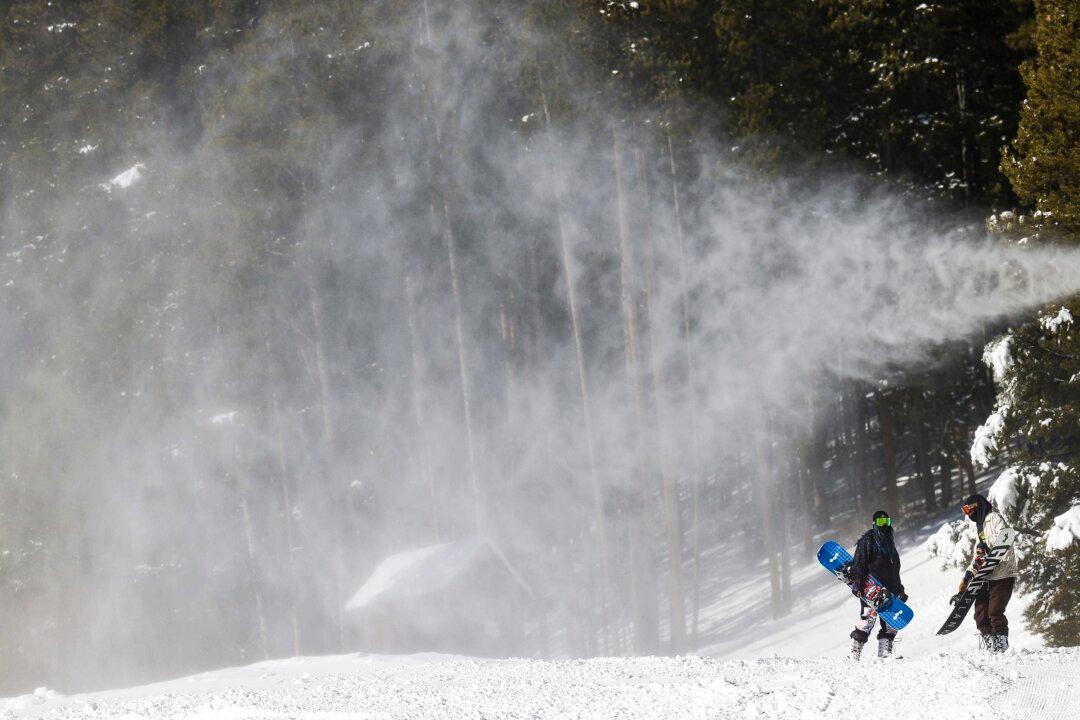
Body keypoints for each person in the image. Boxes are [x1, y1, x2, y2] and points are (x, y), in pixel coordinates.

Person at [949, 493, 1017, 652]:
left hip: (1003, 573)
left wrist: (990, 550)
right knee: (980, 615)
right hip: (986, 576)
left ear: (976, 506)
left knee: (995, 612)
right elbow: (977, 556)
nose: (967, 514)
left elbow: (1005, 537)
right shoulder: (978, 528)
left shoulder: (993, 518)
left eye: (967, 509)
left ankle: (1002, 644)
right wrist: (967, 577)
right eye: (964, 511)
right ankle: (991, 644)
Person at [847, 510, 907, 660]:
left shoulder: (889, 544)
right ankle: (854, 653)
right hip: (871, 588)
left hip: (889, 590)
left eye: (886, 522)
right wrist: (858, 584)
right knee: (868, 618)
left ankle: (885, 654)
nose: (884, 526)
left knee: (890, 622)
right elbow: (859, 563)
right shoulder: (868, 541)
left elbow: (895, 570)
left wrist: (899, 590)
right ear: (874, 524)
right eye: (880, 523)